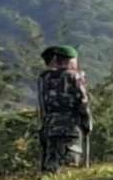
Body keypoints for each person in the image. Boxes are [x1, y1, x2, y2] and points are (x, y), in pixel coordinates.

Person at [36, 45, 93, 173]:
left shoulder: (44, 78)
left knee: (51, 163)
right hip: (71, 126)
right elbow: (83, 101)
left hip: (50, 126)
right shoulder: (74, 77)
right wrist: (87, 122)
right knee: (70, 163)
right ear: (70, 60)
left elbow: (42, 104)